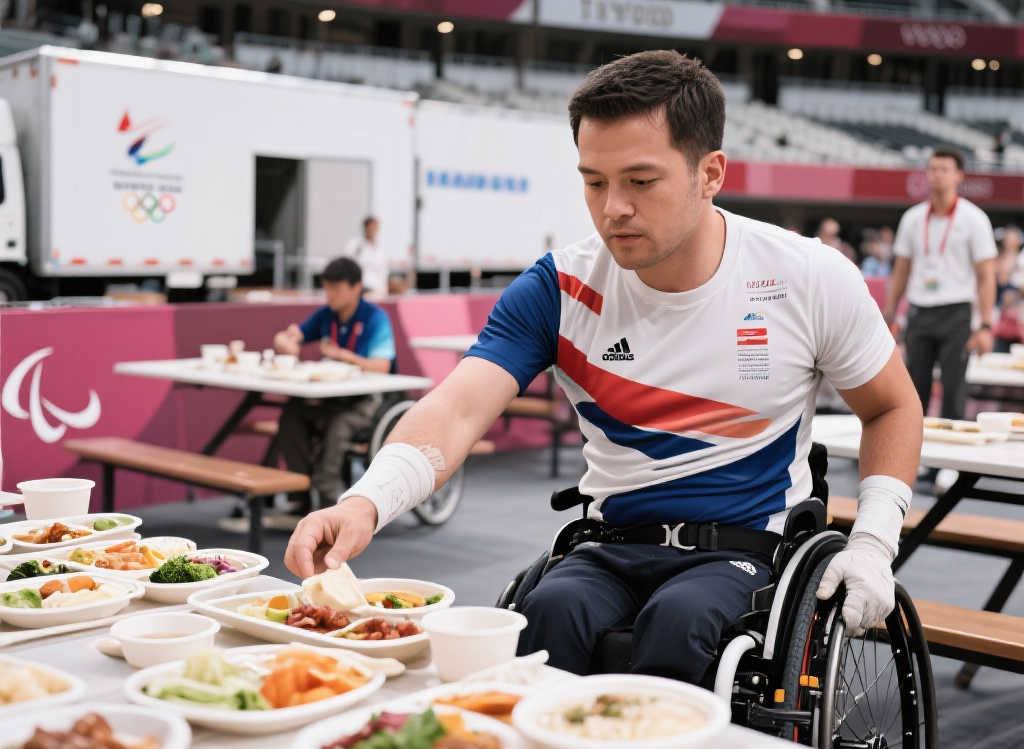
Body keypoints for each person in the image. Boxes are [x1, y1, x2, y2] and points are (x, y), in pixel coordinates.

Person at [284, 51, 923, 685]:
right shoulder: (559, 287)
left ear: (710, 174)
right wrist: (366, 502)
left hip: (746, 548)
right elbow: (456, 410)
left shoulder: (807, 276)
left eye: (640, 182)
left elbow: (893, 406)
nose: (613, 207)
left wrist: (874, 542)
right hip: (611, 542)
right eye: (594, 182)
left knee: (681, 623)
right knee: (545, 614)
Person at [883, 147, 997, 424]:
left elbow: (986, 275)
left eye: (944, 169)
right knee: (913, 391)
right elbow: (901, 271)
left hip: (956, 312)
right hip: (919, 310)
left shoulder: (973, 218)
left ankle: (951, 451)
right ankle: (913, 449)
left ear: (959, 175)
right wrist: (889, 315)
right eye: (933, 169)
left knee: (953, 390)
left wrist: (984, 325)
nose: (937, 175)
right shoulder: (913, 218)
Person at [273, 257, 396, 511]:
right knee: (292, 414)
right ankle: (300, 491)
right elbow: (292, 335)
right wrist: (283, 341)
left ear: (356, 287)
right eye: (327, 288)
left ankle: (330, 497)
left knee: (339, 426)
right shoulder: (326, 315)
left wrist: (342, 355)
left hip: (368, 402)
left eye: (336, 288)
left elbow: (382, 366)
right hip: (332, 399)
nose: (330, 294)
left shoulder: (375, 319)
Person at [343, 216, 388, 298]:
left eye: (375, 227)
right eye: (370, 227)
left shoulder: (380, 247)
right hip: (361, 288)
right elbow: (347, 265)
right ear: (365, 228)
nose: (373, 230)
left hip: (377, 289)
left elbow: (383, 269)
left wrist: (384, 289)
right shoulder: (356, 244)